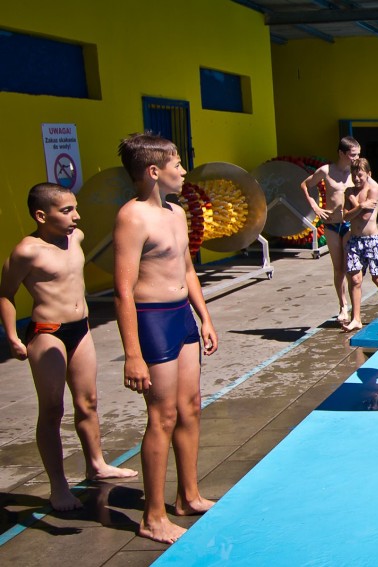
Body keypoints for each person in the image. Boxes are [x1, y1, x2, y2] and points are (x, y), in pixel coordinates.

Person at [0, 183, 137, 512]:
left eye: (75, 208)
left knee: (88, 402)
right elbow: (5, 293)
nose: (76, 216)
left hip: (81, 328)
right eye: (67, 211)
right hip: (47, 332)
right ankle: (58, 487)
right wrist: (12, 337)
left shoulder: (75, 237)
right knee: (52, 410)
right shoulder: (27, 251)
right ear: (41, 216)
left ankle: (97, 464)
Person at [114, 133, 218, 543]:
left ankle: (188, 496)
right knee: (162, 416)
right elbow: (123, 291)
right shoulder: (132, 217)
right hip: (151, 319)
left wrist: (204, 318)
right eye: (178, 163)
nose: (183, 170)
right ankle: (152, 516)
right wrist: (132, 354)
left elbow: (188, 270)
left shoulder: (175, 213)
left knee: (190, 407)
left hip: (181, 317)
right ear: (154, 172)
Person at [300, 136, 361, 324]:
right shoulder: (326, 171)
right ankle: (343, 306)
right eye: (352, 155)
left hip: (350, 225)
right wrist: (315, 207)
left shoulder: (357, 172)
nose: (356, 158)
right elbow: (305, 184)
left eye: (358, 154)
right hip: (332, 225)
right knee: (339, 268)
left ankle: (355, 310)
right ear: (341, 153)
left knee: (352, 269)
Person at [340, 158, 378, 332]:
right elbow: (345, 217)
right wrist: (360, 205)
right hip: (355, 241)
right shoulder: (349, 191)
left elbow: (364, 217)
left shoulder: (373, 191)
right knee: (355, 279)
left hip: (372, 241)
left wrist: (356, 204)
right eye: (354, 175)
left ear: (368, 175)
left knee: (377, 277)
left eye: (360, 175)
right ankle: (356, 318)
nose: (356, 179)